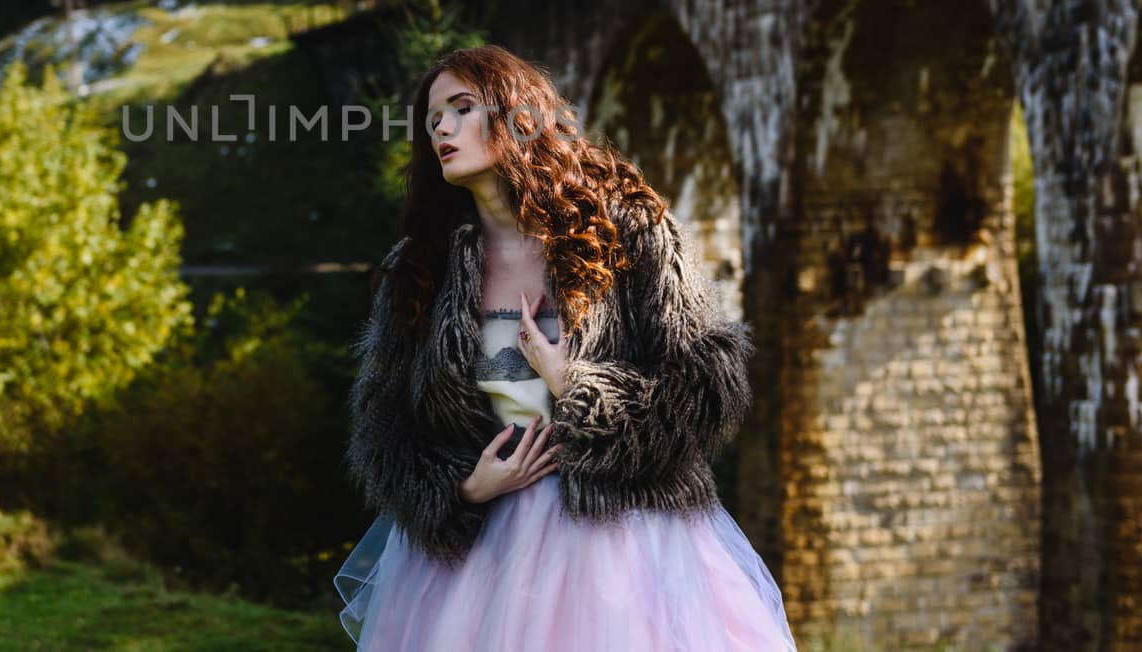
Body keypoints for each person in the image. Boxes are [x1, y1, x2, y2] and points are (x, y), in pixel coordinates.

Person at [333, 44, 797, 650]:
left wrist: (577, 386)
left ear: (517, 114)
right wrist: (461, 491)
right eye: (432, 119)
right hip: (474, 562)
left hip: (622, 543)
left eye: (462, 108)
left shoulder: (626, 231)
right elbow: (383, 422)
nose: (441, 127)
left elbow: (710, 382)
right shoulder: (421, 266)